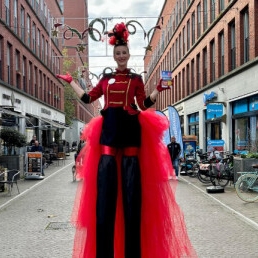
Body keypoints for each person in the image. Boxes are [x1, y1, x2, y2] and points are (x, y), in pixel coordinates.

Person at [57, 22, 196, 258]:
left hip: (131, 132)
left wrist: (158, 90)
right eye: (118, 54)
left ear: (128, 55)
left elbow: (144, 104)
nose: (121, 57)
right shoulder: (106, 80)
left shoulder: (135, 80)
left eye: (124, 53)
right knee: (105, 200)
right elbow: (89, 98)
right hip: (109, 134)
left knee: (132, 199)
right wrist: (71, 82)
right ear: (114, 56)